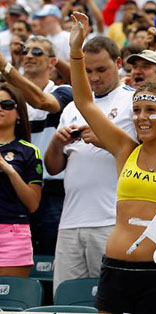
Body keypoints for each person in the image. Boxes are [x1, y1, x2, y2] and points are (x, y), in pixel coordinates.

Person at [67, 13, 156, 313]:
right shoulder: (125, 149)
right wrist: (75, 51)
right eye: (136, 110)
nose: (141, 118)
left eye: (150, 110)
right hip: (115, 269)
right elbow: (84, 102)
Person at [45, 35, 136, 294]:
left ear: (118, 63)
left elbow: (147, 157)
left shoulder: (133, 101)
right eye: (87, 71)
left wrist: (107, 141)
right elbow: (53, 168)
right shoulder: (72, 107)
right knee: (66, 299)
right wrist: (56, 143)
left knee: (112, 299)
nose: (94, 77)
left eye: (101, 69)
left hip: (112, 220)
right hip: (70, 220)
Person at [0, 36, 73, 256]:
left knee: (49, 260)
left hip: (52, 193)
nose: (29, 55)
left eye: (37, 52)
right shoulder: (7, 98)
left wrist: (5, 67)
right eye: (26, 51)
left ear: (52, 62)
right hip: (12, 192)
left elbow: (43, 102)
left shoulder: (64, 92)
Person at [0, 83, 42, 277]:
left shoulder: (29, 151)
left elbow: (33, 203)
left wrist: (9, 171)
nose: (0, 108)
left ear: (19, 113)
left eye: (6, 104)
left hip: (12, 232)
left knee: (10, 302)